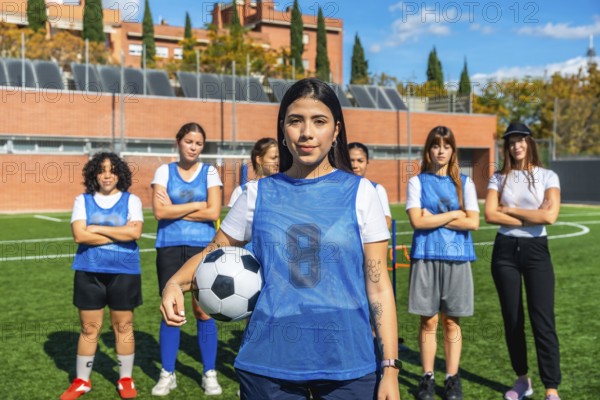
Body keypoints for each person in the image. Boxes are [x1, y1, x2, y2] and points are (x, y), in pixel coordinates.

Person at [161, 78, 401, 400]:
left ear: (337, 130)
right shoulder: (256, 193)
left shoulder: (363, 193)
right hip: (268, 365)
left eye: (319, 121)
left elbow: (378, 284)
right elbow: (213, 252)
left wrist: (390, 368)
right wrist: (175, 283)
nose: (306, 133)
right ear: (283, 128)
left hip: (348, 362)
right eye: (295, 121)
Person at [484, 122, 561, 400]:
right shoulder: (498, 178)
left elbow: (550, 217)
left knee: (543, 320)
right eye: (511, 141)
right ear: (507, 146)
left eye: (521, 140)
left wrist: (510, 209)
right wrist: (530, 215)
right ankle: (522, 380)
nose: (516, 145)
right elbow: (490, 214)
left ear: (530, 143)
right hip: (504, 251)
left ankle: (551, 388)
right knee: (513, 318)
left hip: (536, 251)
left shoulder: (548, 176)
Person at [60, 152, 143, 400]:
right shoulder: (82, 200)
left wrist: (97, 228)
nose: (107, 175)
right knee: (89, 329)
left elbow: (135, 233)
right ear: (94, 174)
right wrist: (119, 233)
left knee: (123, 326)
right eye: (102, 170)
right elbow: (79, 236)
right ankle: (82, 381)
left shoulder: (132, 200)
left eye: (112, 170)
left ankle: (125, 378)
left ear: (120, 174)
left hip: (124, 272)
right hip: (89, 272)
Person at [406, 126, 480, 400]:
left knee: (452, 322)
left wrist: (435, 216)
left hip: (458, 257)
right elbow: (417, 221)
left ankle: (452, 378)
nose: (441, 151)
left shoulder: (465, 183)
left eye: (446, 146)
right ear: (429, 150)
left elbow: (473, 222)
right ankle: (427, 377)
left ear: (452, 151)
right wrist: (455, 214)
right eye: (436, 146)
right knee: (429, 321)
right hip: (426, 256)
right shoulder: (417, 182)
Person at [151, 122, 223, 396]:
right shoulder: (163, 170)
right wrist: (197, 205)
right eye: (188, 141)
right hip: (169, 246)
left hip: (202, 248)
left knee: (203, 310)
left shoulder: (210, 171)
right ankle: (167, 372)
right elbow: (159, 212)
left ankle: (209, 373)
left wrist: (175, 208)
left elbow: (214, 211)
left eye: (199, 143)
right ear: (178, 142)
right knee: (172, 310)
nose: (193, 147)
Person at [348, 142, 392, 229]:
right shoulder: (336, 188)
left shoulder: (377, 189)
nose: (355, 165)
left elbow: (386, 223)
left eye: (360, 161)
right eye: (351, 161)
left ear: (367, 162)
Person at [228, 137, 279, 207]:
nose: (278, 162)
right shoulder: (242, 191)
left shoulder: (285, 188)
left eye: (279, 158)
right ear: (259, 160)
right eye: (273, 158)